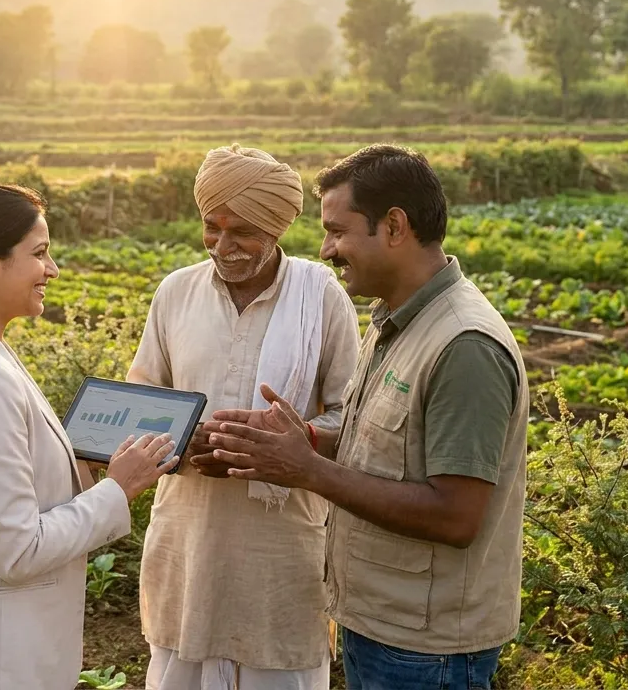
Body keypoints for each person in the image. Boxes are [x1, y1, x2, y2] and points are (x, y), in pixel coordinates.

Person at [204, 145, 529, 690]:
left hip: (426, 650)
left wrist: (307, 470)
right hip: (381, 623)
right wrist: (302, 439)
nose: (326, 250)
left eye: (338, 231)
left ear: (395, 226)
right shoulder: (395, 322)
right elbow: (378, 445)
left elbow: (455, 517)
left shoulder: (464, 345)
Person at [0, 183, 179, 690]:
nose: (52, 269)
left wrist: (73, 469)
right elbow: (17, 550)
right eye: (39, 253)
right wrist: (118, 489)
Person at [126, 144, 362, 690]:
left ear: (276, 230)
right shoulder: (176, 292)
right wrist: (184, 440)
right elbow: (141, 397)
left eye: (243, 232)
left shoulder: (321, 298)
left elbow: (352, 418)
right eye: (212, 228)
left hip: (280, 553)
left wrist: (289, 442)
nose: (223, 246)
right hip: (187, 540)